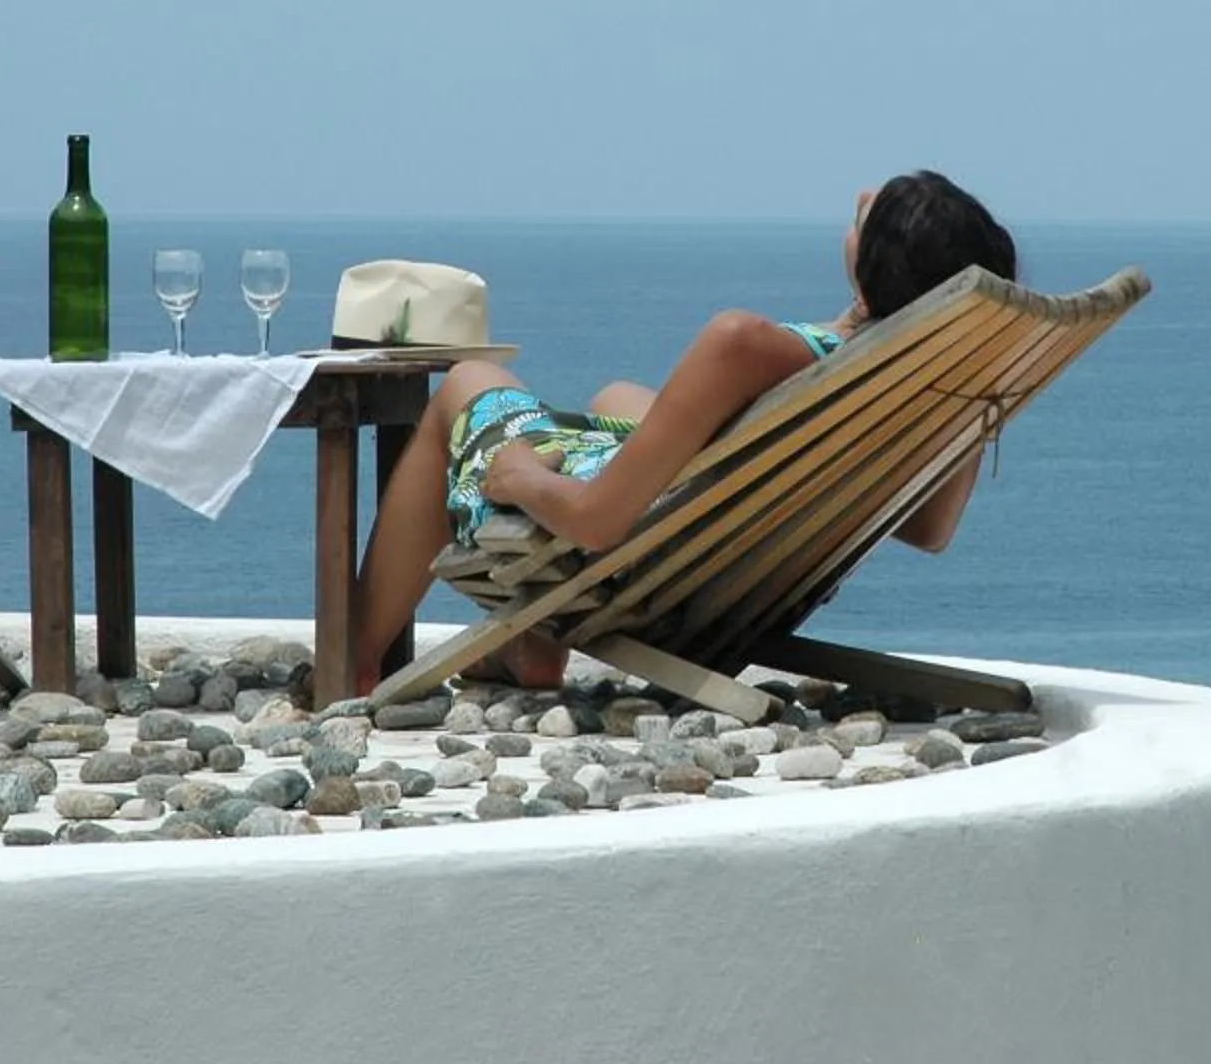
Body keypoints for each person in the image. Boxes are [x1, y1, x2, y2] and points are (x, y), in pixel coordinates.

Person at [348, 171, 1019, 697]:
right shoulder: (918, 380)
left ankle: (354, 667)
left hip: (643, 557)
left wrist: (524, 478)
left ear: (879, 269)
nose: (861, 198)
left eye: (869, 215)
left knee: (470, 379)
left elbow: (596, 522)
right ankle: (534, 644)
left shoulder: (747, 344)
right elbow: (928, 530)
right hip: (748, 567)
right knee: (616, 396)